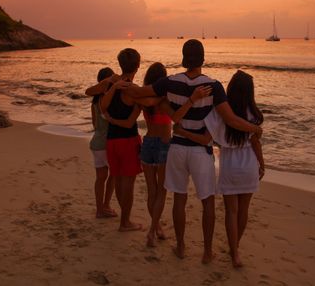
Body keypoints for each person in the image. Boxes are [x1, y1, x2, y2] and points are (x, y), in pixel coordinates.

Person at [125, 39, 263, 264]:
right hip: (200, 151)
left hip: (177, 148)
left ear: (183, 57)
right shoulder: (213, 86)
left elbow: (141, 92)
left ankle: (180, 247)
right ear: (203, 58)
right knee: (207, 202)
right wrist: (255, 128)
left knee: (179, 198)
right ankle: (207, 252)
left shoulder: (169, 82)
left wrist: (121, 83)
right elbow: (230, 119)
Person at [174, 70, 265, 268]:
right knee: (244, 211)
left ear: (230, 89)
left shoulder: (219, 112)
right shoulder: (255, 115)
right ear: (250, 92)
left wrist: (182, 132)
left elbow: (205, 139)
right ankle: (235, 250)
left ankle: (234, 253)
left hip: (230, 165)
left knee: (231, 211)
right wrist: (261, 163)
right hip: (249, 163)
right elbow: (256, 143)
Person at [137, 62, 211, 247]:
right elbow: (177, 116)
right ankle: (152, 232)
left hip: (147, 143)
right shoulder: (166, 98)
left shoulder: (146, 100)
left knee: (151, 191)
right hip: (163, 144)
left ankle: (156, 228)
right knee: (161, 192)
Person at [99, 48, 143, 232]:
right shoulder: (134, 91)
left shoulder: (111, 86)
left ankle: (124, 220)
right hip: (128, 141)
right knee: (128, 183)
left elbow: (103, 107)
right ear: (138, 66)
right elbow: (129, 123)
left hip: (112, 142)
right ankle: (125, 222)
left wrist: (114, 87)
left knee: (117, 180)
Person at [87, 67, 118, 219]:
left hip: (95, 142)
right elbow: (112, 122)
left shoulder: (94, 102)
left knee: (100, 178)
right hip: (106, 143)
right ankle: (106, 205)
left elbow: (95, 124)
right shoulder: (107, 100)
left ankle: (100, 209)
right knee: (113, 175)